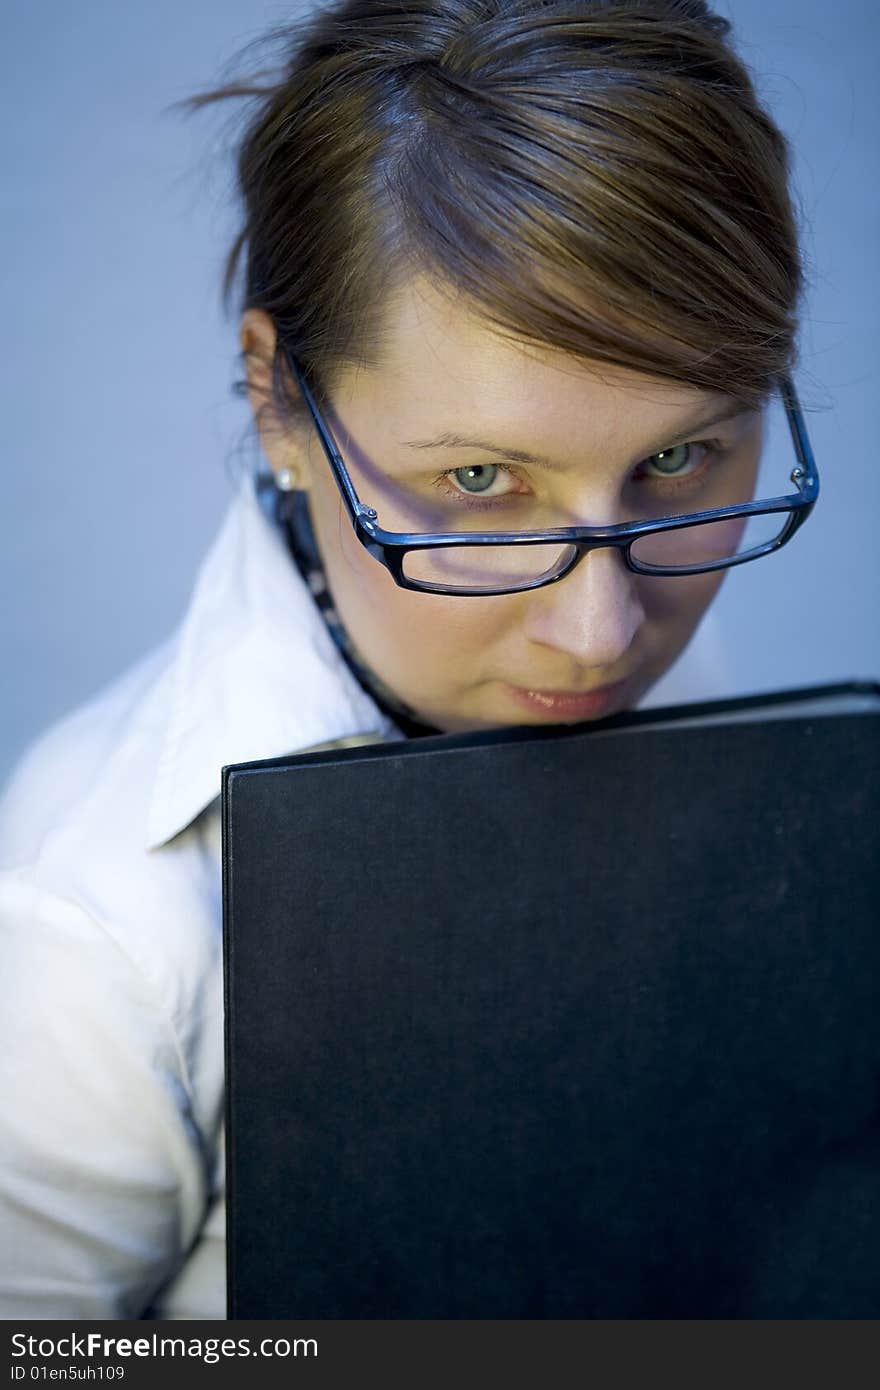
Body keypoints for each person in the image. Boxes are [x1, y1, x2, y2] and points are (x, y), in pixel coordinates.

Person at [0, 0, 816, 1319]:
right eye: (481, 480)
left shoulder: (661, 633)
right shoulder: (96, 929)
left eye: (677, 458)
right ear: (277, 399)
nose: (602, 634)